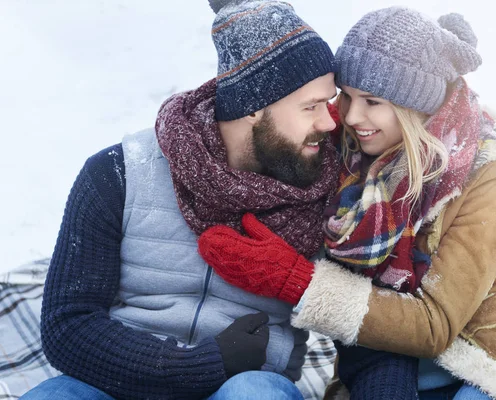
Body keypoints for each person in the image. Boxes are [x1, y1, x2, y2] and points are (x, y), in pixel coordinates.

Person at [199, 7, 496, 400]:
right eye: (348, 96)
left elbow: (434, 324)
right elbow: (274, 112)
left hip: (483, 359)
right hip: (378, 366)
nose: (352, 115)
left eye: (372, 101)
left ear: (416, 106)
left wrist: (301, 281)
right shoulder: (344, 143)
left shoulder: (486, 170)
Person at [20, 1, 340, 399]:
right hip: (118, 380)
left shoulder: (332, 192)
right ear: (254, 109)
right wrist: (198, 365)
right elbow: (68, 326)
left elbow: (366, 319)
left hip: (244, 383)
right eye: (311, 106)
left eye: (329, 102)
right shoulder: (121, 172)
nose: (329, 122)